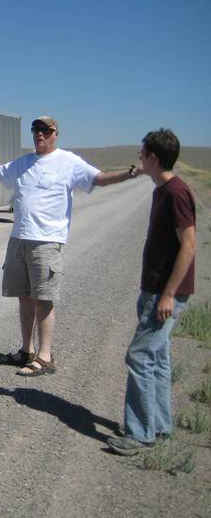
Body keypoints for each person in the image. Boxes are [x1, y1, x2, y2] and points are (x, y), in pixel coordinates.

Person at [0, 115, 137, 376]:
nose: (39, 134)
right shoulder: (23, 164)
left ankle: (45, 357)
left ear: (56, 133)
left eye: (45, 130)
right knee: (24, 296)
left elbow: (99, 179)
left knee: (43, 298)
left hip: (47, 241)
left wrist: (131, 173)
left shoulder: (68, 163)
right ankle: (26, 351)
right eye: (35, 129)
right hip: (19, 239)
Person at [107, 129, 195, 456]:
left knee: (140, 356)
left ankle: (140, 433)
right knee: (157, 358)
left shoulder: (176, 193)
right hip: (154, 290)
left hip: (164, 294)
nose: (139, 158)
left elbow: (188, 245)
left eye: (142, 153)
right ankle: (159, 424)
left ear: (153, 158)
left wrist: (169, 294)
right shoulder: (162, 191)